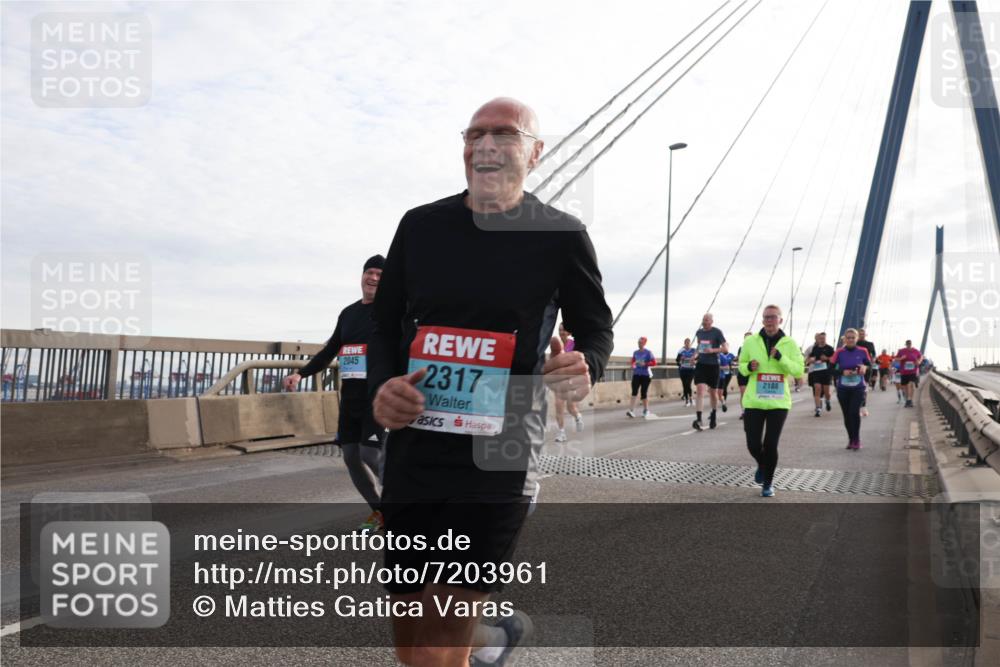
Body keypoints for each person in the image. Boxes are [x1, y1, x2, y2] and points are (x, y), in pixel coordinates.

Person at [369, 97, 614, 667]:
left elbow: (595, 329)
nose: (485, 145)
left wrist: (586, 364)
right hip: (415, 448)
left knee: (440, 638)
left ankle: (476, 639)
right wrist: (384, 387)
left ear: (535, 152)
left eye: (504, 134)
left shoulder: (561, 235)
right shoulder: (420, 226)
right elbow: (382, 325)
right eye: (473, 134)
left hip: (499, 452)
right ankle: (493, 638)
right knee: (410, 632)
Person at [283, 255, 385, 531]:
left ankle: (404, 506)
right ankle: (380, 511)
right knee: (351, 457)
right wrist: (300, 374)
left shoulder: (390, 311)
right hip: (350, 397)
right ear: (362, 276)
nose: (373, 278)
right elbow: (330, 350)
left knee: (370, 454)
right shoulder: (348, 313)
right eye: (369, 272)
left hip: (376, 397)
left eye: (380, 274)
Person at [738, 305, 804, 497]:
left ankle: (768, 483)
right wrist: (749, 367)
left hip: (778, 403)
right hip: (754, 401)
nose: (769, 321)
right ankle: (762, 464)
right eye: (766, 317)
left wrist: (781, 358)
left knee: (770, 444)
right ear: (762, 320)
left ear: (780, 320)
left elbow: (798, 370)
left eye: (773, 317)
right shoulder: (750, 341)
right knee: (753, 444)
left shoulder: (789, 343)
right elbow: (741, 366)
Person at [831, 328, 870, 450]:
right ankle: (851, 439)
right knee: (847, 415)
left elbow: (869, 365)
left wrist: (865, 368)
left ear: (857, 339)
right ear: (845, 339)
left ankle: (856, 440)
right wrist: (842, 372)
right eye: (848, 338)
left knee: (854, 412)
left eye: (853, 338)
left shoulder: (863, 351)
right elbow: (830, 369)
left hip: (858, 387)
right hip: (843, 388)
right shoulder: (839, 352)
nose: (851, 340)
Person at [691, 313, 726, 431]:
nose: (704, 322)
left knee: (713, 392)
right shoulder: (699, 332)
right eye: (703, 320)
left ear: (711, 321)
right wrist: (694, 356)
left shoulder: (717, 332)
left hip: (713, 365)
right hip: (701, 364)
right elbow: (699, 346)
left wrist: (713, 350)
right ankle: (699, 419)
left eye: (706, 320)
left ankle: (714, 414)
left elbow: (725, 348)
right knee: (700, 390)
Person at [552, 322, 584, 441]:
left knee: (571, 407)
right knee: (558, 405)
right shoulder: (556, 345)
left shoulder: (574, 344)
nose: (561, 332)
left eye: (564, 330)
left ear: (569, 332)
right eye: (560, 330)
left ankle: (577, 417)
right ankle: (561, 433)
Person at [805, 332, 834, 418]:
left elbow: (834, 359)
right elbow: (809, 359)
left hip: (826, 372)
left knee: (826, 392)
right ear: (818, 339)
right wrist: (811, 360)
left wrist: (827, 358)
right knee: (817, 389)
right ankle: (818, 409)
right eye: (820, 338)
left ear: (825, 338)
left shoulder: (829, 348)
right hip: (816, 372)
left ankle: (827, 401)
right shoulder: (815, 348)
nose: (822, 340)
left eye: (823, 338)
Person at [626, 336, 657, 418]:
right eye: (638, 342)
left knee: (643, 392)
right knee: (634, 391)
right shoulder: (635, 352)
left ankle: (646, 410)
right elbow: (633, 362)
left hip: (646, 375)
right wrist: (633, 365)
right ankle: (631, 411)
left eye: (641, 343)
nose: (639, 344)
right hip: (636, 374)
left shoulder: (648, 352)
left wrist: (645, 364)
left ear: (644, 343)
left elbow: (654, 362)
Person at [894, 339, 923, 408]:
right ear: (906, 344)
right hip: (904, 372)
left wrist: (919, 362)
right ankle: (907, 400)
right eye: (907, 344)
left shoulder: (915, 351)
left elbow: (921, 356)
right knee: (905, 386)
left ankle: (910, 400)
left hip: (913, 371)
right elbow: (896, 359)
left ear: (911, 344)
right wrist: (901, 358)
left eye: (909, 343)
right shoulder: (901, 351)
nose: (909, 345)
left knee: (911, 384)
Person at [856, 328, 877, 416]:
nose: (861, 335)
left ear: (865, 335)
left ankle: (863, 406)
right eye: (860, 334)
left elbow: (874, 355)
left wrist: (873, 360)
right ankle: (857, 407)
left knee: (864, 388)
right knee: (857, 388)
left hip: (867, 368)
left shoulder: (870, 344)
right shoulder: (854, 344)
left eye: (863, 334)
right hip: (856, 367)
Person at [735, 332, 753, 420]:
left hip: (752, 373)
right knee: (743, 392)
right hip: (742, 372)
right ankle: (743, 411)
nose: (747, 339)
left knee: (752, 393)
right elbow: (740, 359)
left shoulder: (756, 348)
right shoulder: (741, 348)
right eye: (746, 338)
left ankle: (752, 410)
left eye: (749, 338)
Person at [676, 338, 697, 406]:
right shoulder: (681, 351)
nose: (687, 344)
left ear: (690, 343)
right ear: (684, 343)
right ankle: (687, 401)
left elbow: (698, 359)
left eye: (688, 343)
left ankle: (691, 398)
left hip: (691, 370)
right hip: (683, 370)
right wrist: (681, 360)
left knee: (688, 384)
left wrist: (694, 361)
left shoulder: (693, 350)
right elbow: (677, 360)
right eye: (686, 343)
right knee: (684, 385)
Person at [715, 343, 735, 411]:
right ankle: (719, 406)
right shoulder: (710, 356)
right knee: (715, 393)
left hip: (721, 377)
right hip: (714, 377)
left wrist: (718, 367)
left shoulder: (722, 357)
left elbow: (727, 367)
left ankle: (722, 403)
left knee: (719, 393)